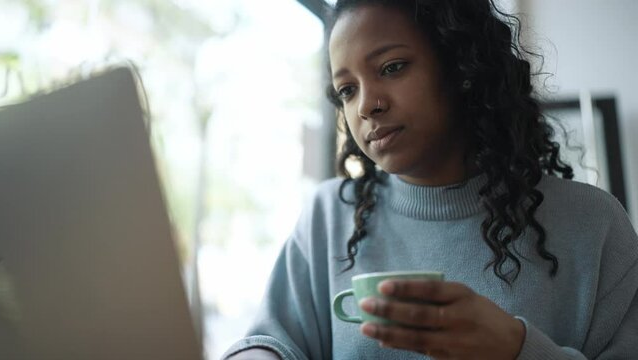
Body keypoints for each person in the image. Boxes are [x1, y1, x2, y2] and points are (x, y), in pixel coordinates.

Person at [222, 0, 638, 359]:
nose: (367, 105)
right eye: (346, 90)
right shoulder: (329, 216)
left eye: (392, 67)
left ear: (461, 67)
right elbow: (274, 339)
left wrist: (515, 350)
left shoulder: (594, 225)